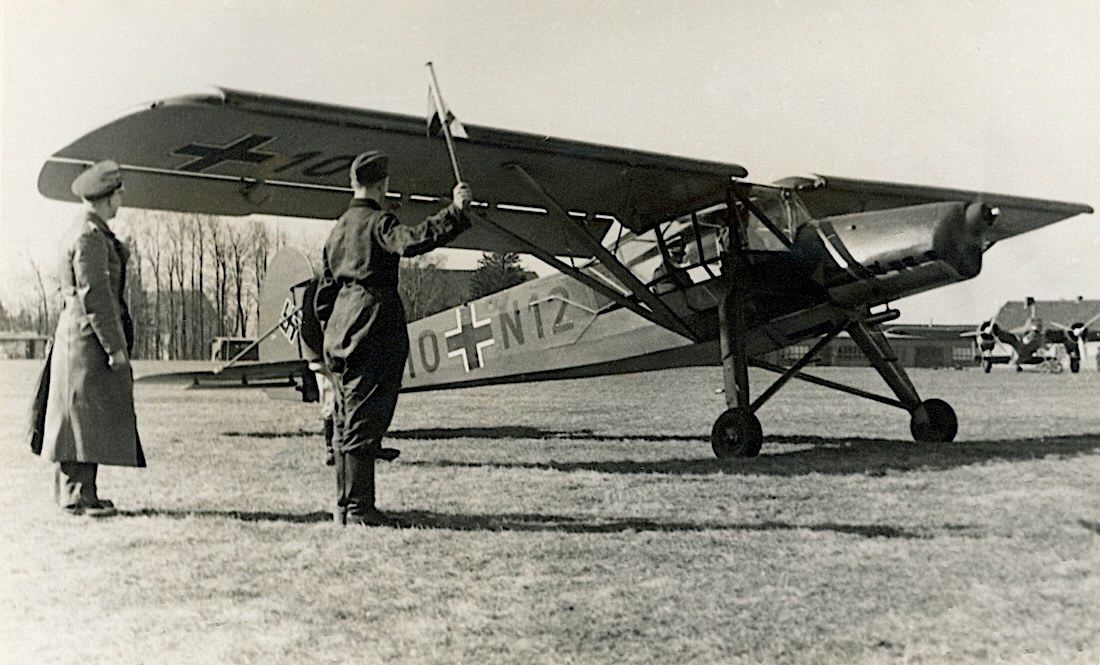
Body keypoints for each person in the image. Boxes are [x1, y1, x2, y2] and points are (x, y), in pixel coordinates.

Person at [315, 150, 474, 526]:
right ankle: (359, 509)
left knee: (345, 419)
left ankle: (345, 506)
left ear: (353, 183)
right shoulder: (379, 222)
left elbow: (323, 295)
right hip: (372, 326)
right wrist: (455, 212)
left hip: (340, 329)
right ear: (382, 184)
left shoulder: (338, 229)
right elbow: (412, 240)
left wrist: (333, 328)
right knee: (364, 419)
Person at [39, 160, 145, 517]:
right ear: (106, 197)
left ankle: (81, 492)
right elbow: (96, 297)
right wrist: (115, 349)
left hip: (79, 339)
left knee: (84, 417)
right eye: (118, 195)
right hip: (86, 341)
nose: (121, 202)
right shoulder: (88, 236)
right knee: (80, 419)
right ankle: (77, 496)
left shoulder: (83, 231)